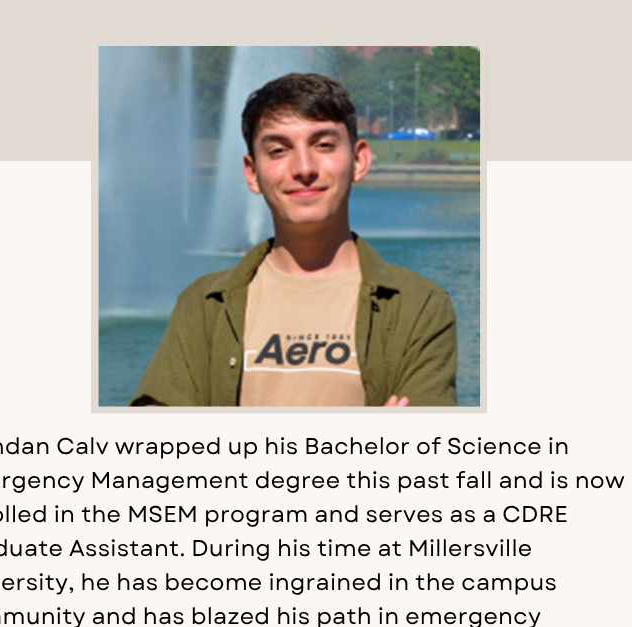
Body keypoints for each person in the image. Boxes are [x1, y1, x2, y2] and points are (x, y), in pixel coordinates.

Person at [130, 72, 456, 408]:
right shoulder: (204, 305)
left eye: (324, 145)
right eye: (278, 150)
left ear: (359, 161)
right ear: (252, 173)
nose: (303, 167)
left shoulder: (419, 306)